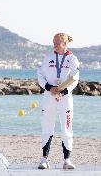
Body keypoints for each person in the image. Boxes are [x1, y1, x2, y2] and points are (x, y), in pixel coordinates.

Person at [37, 33, 80, 169]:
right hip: (49, 96)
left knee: (66, 128)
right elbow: (40, 75)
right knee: (47, 126)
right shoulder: (48, 57)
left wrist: (64, 91)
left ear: (65, 44)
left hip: (65, 99)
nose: (54, 45)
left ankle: (67, 160)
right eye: (53, 42)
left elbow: (75, 78)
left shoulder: (72, 59)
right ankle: (44, 159)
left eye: (57, 43)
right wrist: (49, 88)